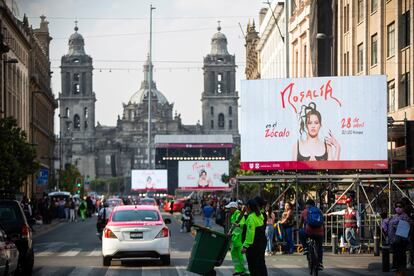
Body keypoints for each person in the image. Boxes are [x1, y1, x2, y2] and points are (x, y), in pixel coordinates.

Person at [382, 201, 413, 276]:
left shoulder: (405, 216)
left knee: (401, 255)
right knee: (395, 254)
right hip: (394, 240)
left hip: (401, 240)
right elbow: (387, 223)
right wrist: (384, 220)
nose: (398, 208)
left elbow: (408, 225)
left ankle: (401, 270)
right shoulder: (393, 216)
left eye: (400, 207)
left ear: (403, 208)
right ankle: (396, 268)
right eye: (397, 207)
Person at [241, 199, 267, 276]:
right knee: (261, 264)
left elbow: (250, 233)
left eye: (245, 206)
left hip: (253, 246)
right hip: (261, 243)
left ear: (248, 206)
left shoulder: (251, 218)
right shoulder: (259, 215)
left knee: (253, 267)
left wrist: (245, 246)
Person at [299, 199, 324, 270]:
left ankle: (305, 248)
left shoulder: (304, 211)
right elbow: (322, 222)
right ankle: (319, 263)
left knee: (300, 232)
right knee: (319, 247)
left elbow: (301, 223)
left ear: (307, 205)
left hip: (309, 232)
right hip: (319, 232)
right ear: (314, 204)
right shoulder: (319, 211)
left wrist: (299, 228)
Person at [227, 201, 249, 276]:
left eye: (230, 208)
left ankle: (246, 271)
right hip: (234, 238)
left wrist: (238, 225)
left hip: (239, 238)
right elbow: (233, 226)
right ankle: (238, 269)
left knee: (241, 256)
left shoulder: (239, 214)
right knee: (235, 255)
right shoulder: (233, 215)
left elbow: (243, 224)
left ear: (234, 208)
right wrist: (230, 231)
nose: (229, 209)